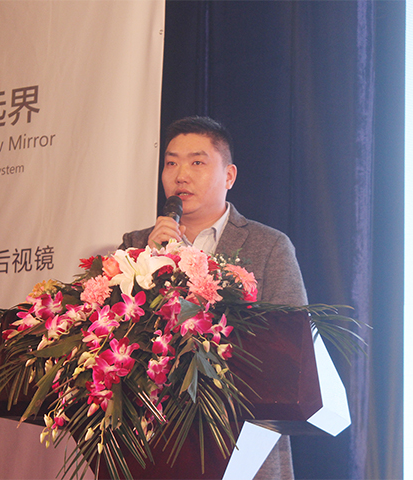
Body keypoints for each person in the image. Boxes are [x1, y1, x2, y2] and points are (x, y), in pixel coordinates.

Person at [120, 116, 308, 479]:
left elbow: (293, 351)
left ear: (229, 176)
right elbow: (116, 339)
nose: (181, 175)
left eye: (197, 162)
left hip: (243, 448)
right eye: (171, 163)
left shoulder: (269, 246)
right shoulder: (136, 245)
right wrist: (154, 260)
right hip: (151, 448)